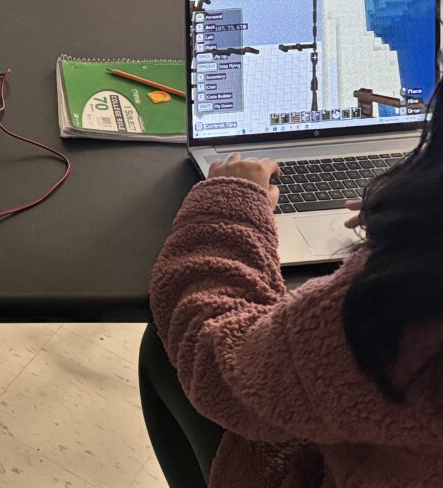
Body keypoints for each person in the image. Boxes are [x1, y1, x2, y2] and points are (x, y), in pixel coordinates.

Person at [140, 89, 443, 487]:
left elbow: (226, 365)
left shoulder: (403, 304)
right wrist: (419, 211)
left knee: (164, 350)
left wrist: (227, 203)